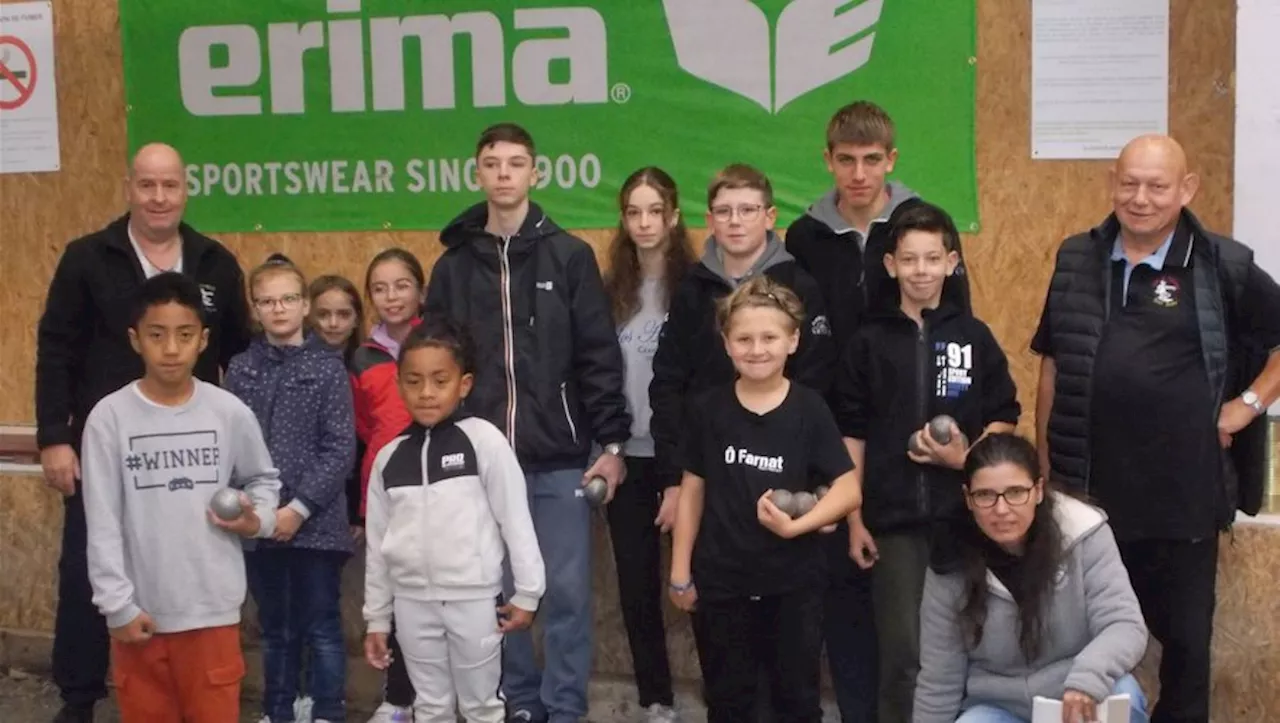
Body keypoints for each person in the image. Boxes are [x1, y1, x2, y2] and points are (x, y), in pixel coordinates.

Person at [1032, 134, 1280, 723]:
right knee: (1079, 646)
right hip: (1087, 501)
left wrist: (1246, 404)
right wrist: (1044, 463)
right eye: (1130, 183)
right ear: (1112, 183)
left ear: (1186, 189)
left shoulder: (1226, 264)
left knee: (1185, 650)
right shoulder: (1075, 257)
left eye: (1157, 185)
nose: (1140, 198)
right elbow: (1053, 362)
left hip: (1184, 501)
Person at [35, 142, 251, 723]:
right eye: (147, 186)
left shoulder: (213, 263)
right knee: (90, 560)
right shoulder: (88, 258)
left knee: (183, 556)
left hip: (190, 448)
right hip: (104, 446)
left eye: (170, 186)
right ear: (130, 188)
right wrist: (55, 435)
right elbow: (57, 347)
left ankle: (190, 684)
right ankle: (79, 697)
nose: (159, 198)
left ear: (185, 190)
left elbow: (240, 354)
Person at [426, 123, 631, 723]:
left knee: (564, 593)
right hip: (483, 460)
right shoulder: (454, 266)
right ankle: (517, 701)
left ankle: (563, 707)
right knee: (498, 590)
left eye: (517, 163)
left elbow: (598, 353)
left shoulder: (569, 256)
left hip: (560, 457)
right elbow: (437, 362)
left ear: (535, 174)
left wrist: (612, 441)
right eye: (493, 163)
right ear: (478, 173)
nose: (504, 174)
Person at [785, 102, 973, 722]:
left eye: (872, 160)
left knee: (914, 619)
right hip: (831, 431)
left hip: (911, 433)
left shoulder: (925, 225)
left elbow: (957, 330)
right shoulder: (805, 236)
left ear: (891, 160)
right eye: (846, 161)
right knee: (843, 585)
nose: (859, 173)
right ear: (828, 161)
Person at [832, 202, 1019, 723]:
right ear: (890, 264)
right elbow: (852, 435)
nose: (920, 271)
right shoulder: (867, 342)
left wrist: (967, 459)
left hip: (964, 521)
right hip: (892, 527)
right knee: (903, 658)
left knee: (967, 653)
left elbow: (1005, 416)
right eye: (909, 259)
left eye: (931, 258)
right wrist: (853, 518)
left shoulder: (974, 337)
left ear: (951, 262)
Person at [80, 272, 281, 723]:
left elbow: (263, 479)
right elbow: (103, 520)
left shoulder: (227, 411)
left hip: (211, 612)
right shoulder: (109, 419)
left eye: (184, 335)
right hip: (141, 614)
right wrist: (117, 606)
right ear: (135, 340)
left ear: (203, 340)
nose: (171, 349)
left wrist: (258, 520)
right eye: (157, 335)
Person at [667, 276, 863, 723]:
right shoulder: (707, 409)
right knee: (728, 700)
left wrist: (797, 526)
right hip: (723, 584)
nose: (757, 349)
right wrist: (680, 571)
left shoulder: (810, 409)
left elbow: (848, 490)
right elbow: (692, 491)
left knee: (796, 700)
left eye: (770, 338)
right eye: (744, 339)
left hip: (794, 586)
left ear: (793, 341)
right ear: (726, 343)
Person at [363, 316, 546, 723]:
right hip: (411, 605)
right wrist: (377, 617)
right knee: (429, 707)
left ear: (463, 384)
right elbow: (377, 548)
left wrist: (528, 593)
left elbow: (515, 520)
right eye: (413, 381)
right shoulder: (389, 459)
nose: (426, 393)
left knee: (482, 707)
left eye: (439, 380)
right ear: (399, 384)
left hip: (474, 600)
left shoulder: (484, 441)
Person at [914, 433, 1150, 723]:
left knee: (1124, 692)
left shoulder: (1082, 532)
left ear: (1038, 490)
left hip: (1076, 688)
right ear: (968, 499)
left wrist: (1087, 678)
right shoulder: (950, 561)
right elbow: (940, 677)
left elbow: (1124, 624)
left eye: (1016, 492)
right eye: (985, 495)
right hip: (999, 705)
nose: (1001, 509)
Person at [224, 257, 357, 723]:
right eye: (266, 301)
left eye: (287, 299)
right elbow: (233, 446)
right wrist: (258, 513)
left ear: (304, 306)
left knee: (320, 626)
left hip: (316, 526)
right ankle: (278, 711)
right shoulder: (241, 370)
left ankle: (327, 711)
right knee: (275, 629)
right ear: (255, 310)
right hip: (260, 526)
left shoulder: (327, 368)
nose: (277, 309)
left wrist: (297, 510)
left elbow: (340, 448)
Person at [600, 167, 696, 723]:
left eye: (654, 211)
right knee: (636, 591)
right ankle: (656, 701)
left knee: (696, 585)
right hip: (624, 458)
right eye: (633, 212)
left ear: (674, 216)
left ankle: (724, 698)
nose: (643, 223)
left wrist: (681, 473)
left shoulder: (695, 286)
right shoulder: (609, 289)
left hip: (681, 459)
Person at [351, 249, 427, 722]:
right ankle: (399, 698)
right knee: (391, 596)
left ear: (420, 291)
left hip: (436, 487)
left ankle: (440, 696)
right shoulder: (362, 356)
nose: (391, 296)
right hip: (385, 491)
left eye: (402, 285)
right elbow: (363, 429)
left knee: (430, 595)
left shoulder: (439, 340)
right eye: (380, 288)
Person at [307, 274, 368, 541]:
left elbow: (363, 444)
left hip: (356, 502)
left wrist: (358, 512)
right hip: (306, 500)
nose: (333, 324)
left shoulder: (367, 366)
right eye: (323, 314)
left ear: (356, 319)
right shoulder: (299, 369)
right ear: (309, 316)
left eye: (343, 314)